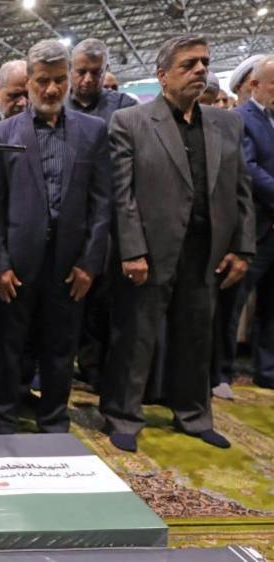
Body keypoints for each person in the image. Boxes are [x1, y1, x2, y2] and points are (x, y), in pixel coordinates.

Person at [101, 35, 254, 453]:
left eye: (204, 62)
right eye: (189, 64)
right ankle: (123, 414)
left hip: (206, 251)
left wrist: (242, 248)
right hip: (150, 249)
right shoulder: (130, 122)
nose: (201, 70)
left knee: (196, 336)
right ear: (162, 74)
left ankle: (193, 414)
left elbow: (240, 190)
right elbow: (122, 194)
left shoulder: (226, 123)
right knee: (136, 336)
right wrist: (132, 250)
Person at [0, 40, 111, 434]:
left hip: (70, 263)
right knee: (7, 346)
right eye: (42, 81)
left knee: (61, 346)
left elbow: (102, 203)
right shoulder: (0, 134)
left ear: (70, 80)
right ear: (30, 81)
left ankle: (54, 419)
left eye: (59, 80)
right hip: (17, 264)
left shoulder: (93, 132)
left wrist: (90, 262)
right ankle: (2, 417)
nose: (51, 90)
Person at [65, 38, 138, 390]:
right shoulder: (55, 105)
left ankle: (95, 369)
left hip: (108, 221)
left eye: (96, 71)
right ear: (70, 71)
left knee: (102, 300)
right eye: (81, 71)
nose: (89, 79)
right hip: (66, 218)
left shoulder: (123, 109)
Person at [217, 55, 274, 392]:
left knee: (271, 307)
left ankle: (266, 370)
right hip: (252, 230)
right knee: (232, 304)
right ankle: (221, 372)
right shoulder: (241, 120)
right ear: (255, 85)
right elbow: (249, 170)